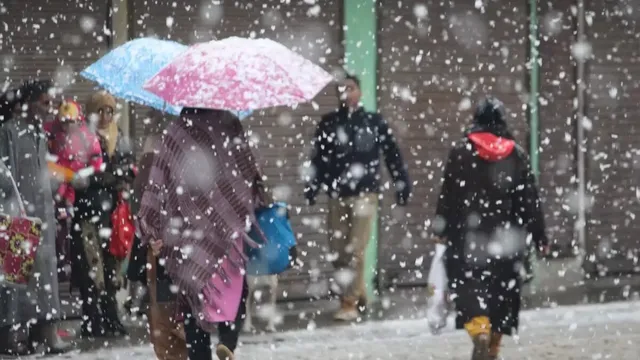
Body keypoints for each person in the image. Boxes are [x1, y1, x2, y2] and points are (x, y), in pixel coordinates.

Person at [137, 108, 268, 360]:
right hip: (227, 229)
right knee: (233, 290)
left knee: (192, 297)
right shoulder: (230, 125)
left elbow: (158, 181)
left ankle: (200, 355)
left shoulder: (177, 131)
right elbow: (249, 172)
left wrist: (154, 223)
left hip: (188, 233)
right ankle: (228, 341)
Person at [433, 97, 548, 360]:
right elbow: (529, 199)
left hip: (467, 238)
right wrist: (539, 233)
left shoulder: (461, 151)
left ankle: (479, 332)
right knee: (502, 295)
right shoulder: (516, 154)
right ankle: (493, 345)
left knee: (470, 289)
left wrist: (441, 227)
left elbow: (447, 194)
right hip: (507, 239)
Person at [304, 74, 411, 321]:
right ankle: (359, 291)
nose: (346, 93)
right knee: (338, 250)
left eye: (350, 88)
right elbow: (317, 159)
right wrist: (312, 187)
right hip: (336, 195)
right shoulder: (328, 124)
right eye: (341, 89)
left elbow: (393, 154)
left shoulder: (373, 122)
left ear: (360, 93)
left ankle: (349, 302)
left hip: (365, 194)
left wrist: (402, 183)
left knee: (356, 250)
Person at [0, 80, 72, 355]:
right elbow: (4, 176)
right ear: (27, 103)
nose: (50, 107)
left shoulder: (41, 134)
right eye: (45, 102)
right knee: (16, 280)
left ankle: (44, 334)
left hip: (43, 215)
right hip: (17, 216)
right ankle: (11, 336)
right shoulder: (8, 132)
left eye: (52, 102)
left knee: (44, 280)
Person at [69, 90, 136, 337]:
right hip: (88, 211)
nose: (106, 115)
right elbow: (81, 174)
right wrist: (110, 177)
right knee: (90, 265)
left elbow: (129, 169)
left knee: (112, 265)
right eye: (101, 110)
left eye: (110, 110)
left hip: (114, 212)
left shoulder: (120, 137)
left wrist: (119, 177)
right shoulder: (83, 137)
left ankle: (111, 316)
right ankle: (92, 317)